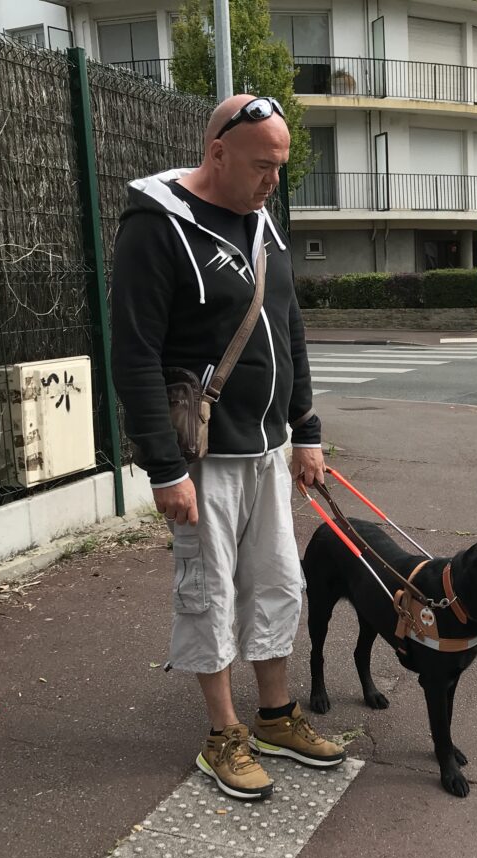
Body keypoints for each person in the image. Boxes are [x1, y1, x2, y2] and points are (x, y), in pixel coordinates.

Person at [110, 94, 345, 801]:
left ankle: (274, 716)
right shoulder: (158, 227)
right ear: (217, 153)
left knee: (277, 583)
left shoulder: (262, 220)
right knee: (207, 593)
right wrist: (163, 467)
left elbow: (289, 329)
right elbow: (134, 354)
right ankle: (223, 735)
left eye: (281, 166)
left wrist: (306, 430)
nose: (274, 180)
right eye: (262, 166)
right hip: (201, 458)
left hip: (267, 449)